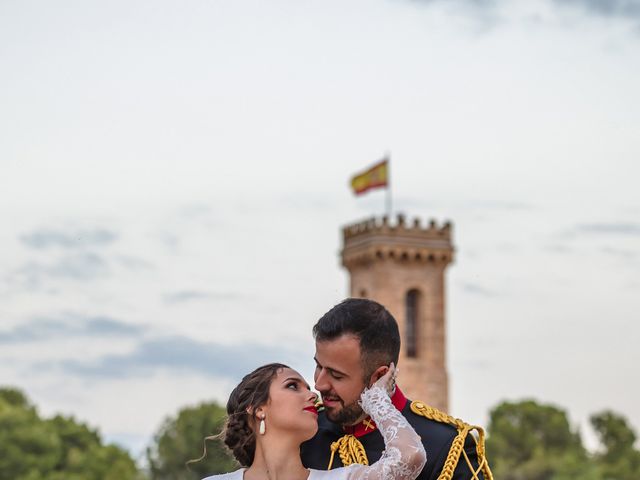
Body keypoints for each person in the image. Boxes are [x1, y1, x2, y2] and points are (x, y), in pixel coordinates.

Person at [300, 298, 492, 480]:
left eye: (336, 375)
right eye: (319, 366)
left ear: (378, 376)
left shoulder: (446, 445)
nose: (319, 384)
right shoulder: (304, 431)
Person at [201, 362, 426, 480]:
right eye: (292, 386)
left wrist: (377, 400)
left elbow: (410, 457)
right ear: (258, 409)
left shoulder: (344, 478)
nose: (312, 394)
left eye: (308, 388)